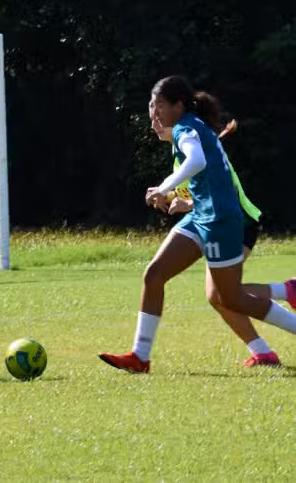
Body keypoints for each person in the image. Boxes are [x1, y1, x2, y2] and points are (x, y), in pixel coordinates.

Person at [99, 75, 296, 373]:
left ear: (178, 105)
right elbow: (198, 175)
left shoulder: (186, 127)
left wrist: (164, 187)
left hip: (219, 220)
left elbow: (197, 162)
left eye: (159, 105)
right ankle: (140, 357)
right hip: (201, 216)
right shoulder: (187, 129)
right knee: (154, 275)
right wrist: (171, 194)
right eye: (151, 105)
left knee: (231, 298)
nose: (154, 113)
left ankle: (271, 334)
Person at [154, 99, 293, 367]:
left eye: (160, 116)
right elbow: (193, 191)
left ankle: (286, 294)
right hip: (220, 224)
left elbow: (221, 195)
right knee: (219, 296)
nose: (154, 123)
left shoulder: (201, 152)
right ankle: (263, 351)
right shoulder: (183, 153)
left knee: (225, 295)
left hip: (240, 223)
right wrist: (169, 195)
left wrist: (186, 204)